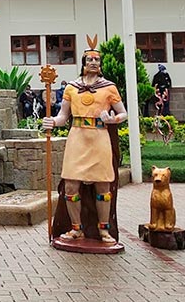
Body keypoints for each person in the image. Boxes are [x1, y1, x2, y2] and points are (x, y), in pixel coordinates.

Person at [42, 38, 127, 245]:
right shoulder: (71, 87)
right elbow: (63, 117)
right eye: (90, 59)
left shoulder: (109, 88)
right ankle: (75, 229)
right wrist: (51, 121)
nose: (94, 63)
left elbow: (123, 113)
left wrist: (112, 119)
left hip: (99, 137)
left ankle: (104, 230)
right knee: (71, 186)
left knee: (102, 187)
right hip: (77, 136)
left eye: (97, 60)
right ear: (83, 62)